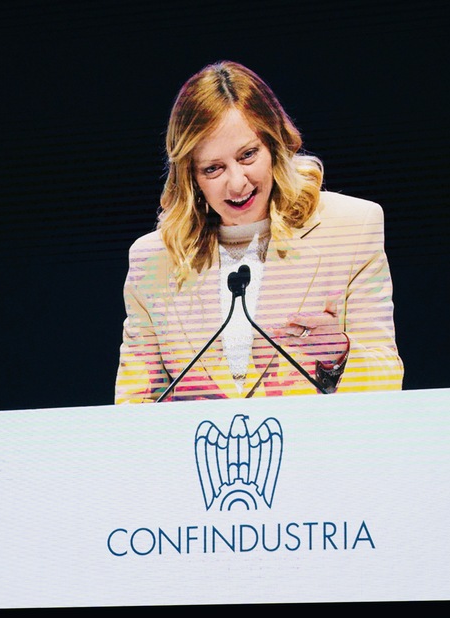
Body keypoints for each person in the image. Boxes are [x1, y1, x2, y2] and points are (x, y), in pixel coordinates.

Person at [116, 61, 403, 402]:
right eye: (213, 168)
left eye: (248, 155)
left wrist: (339, 354)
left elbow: (387, 379)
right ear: (190, 176)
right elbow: (136, 403)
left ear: (275, 146)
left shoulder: (352, 228)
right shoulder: (154, 260)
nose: (237, 182)